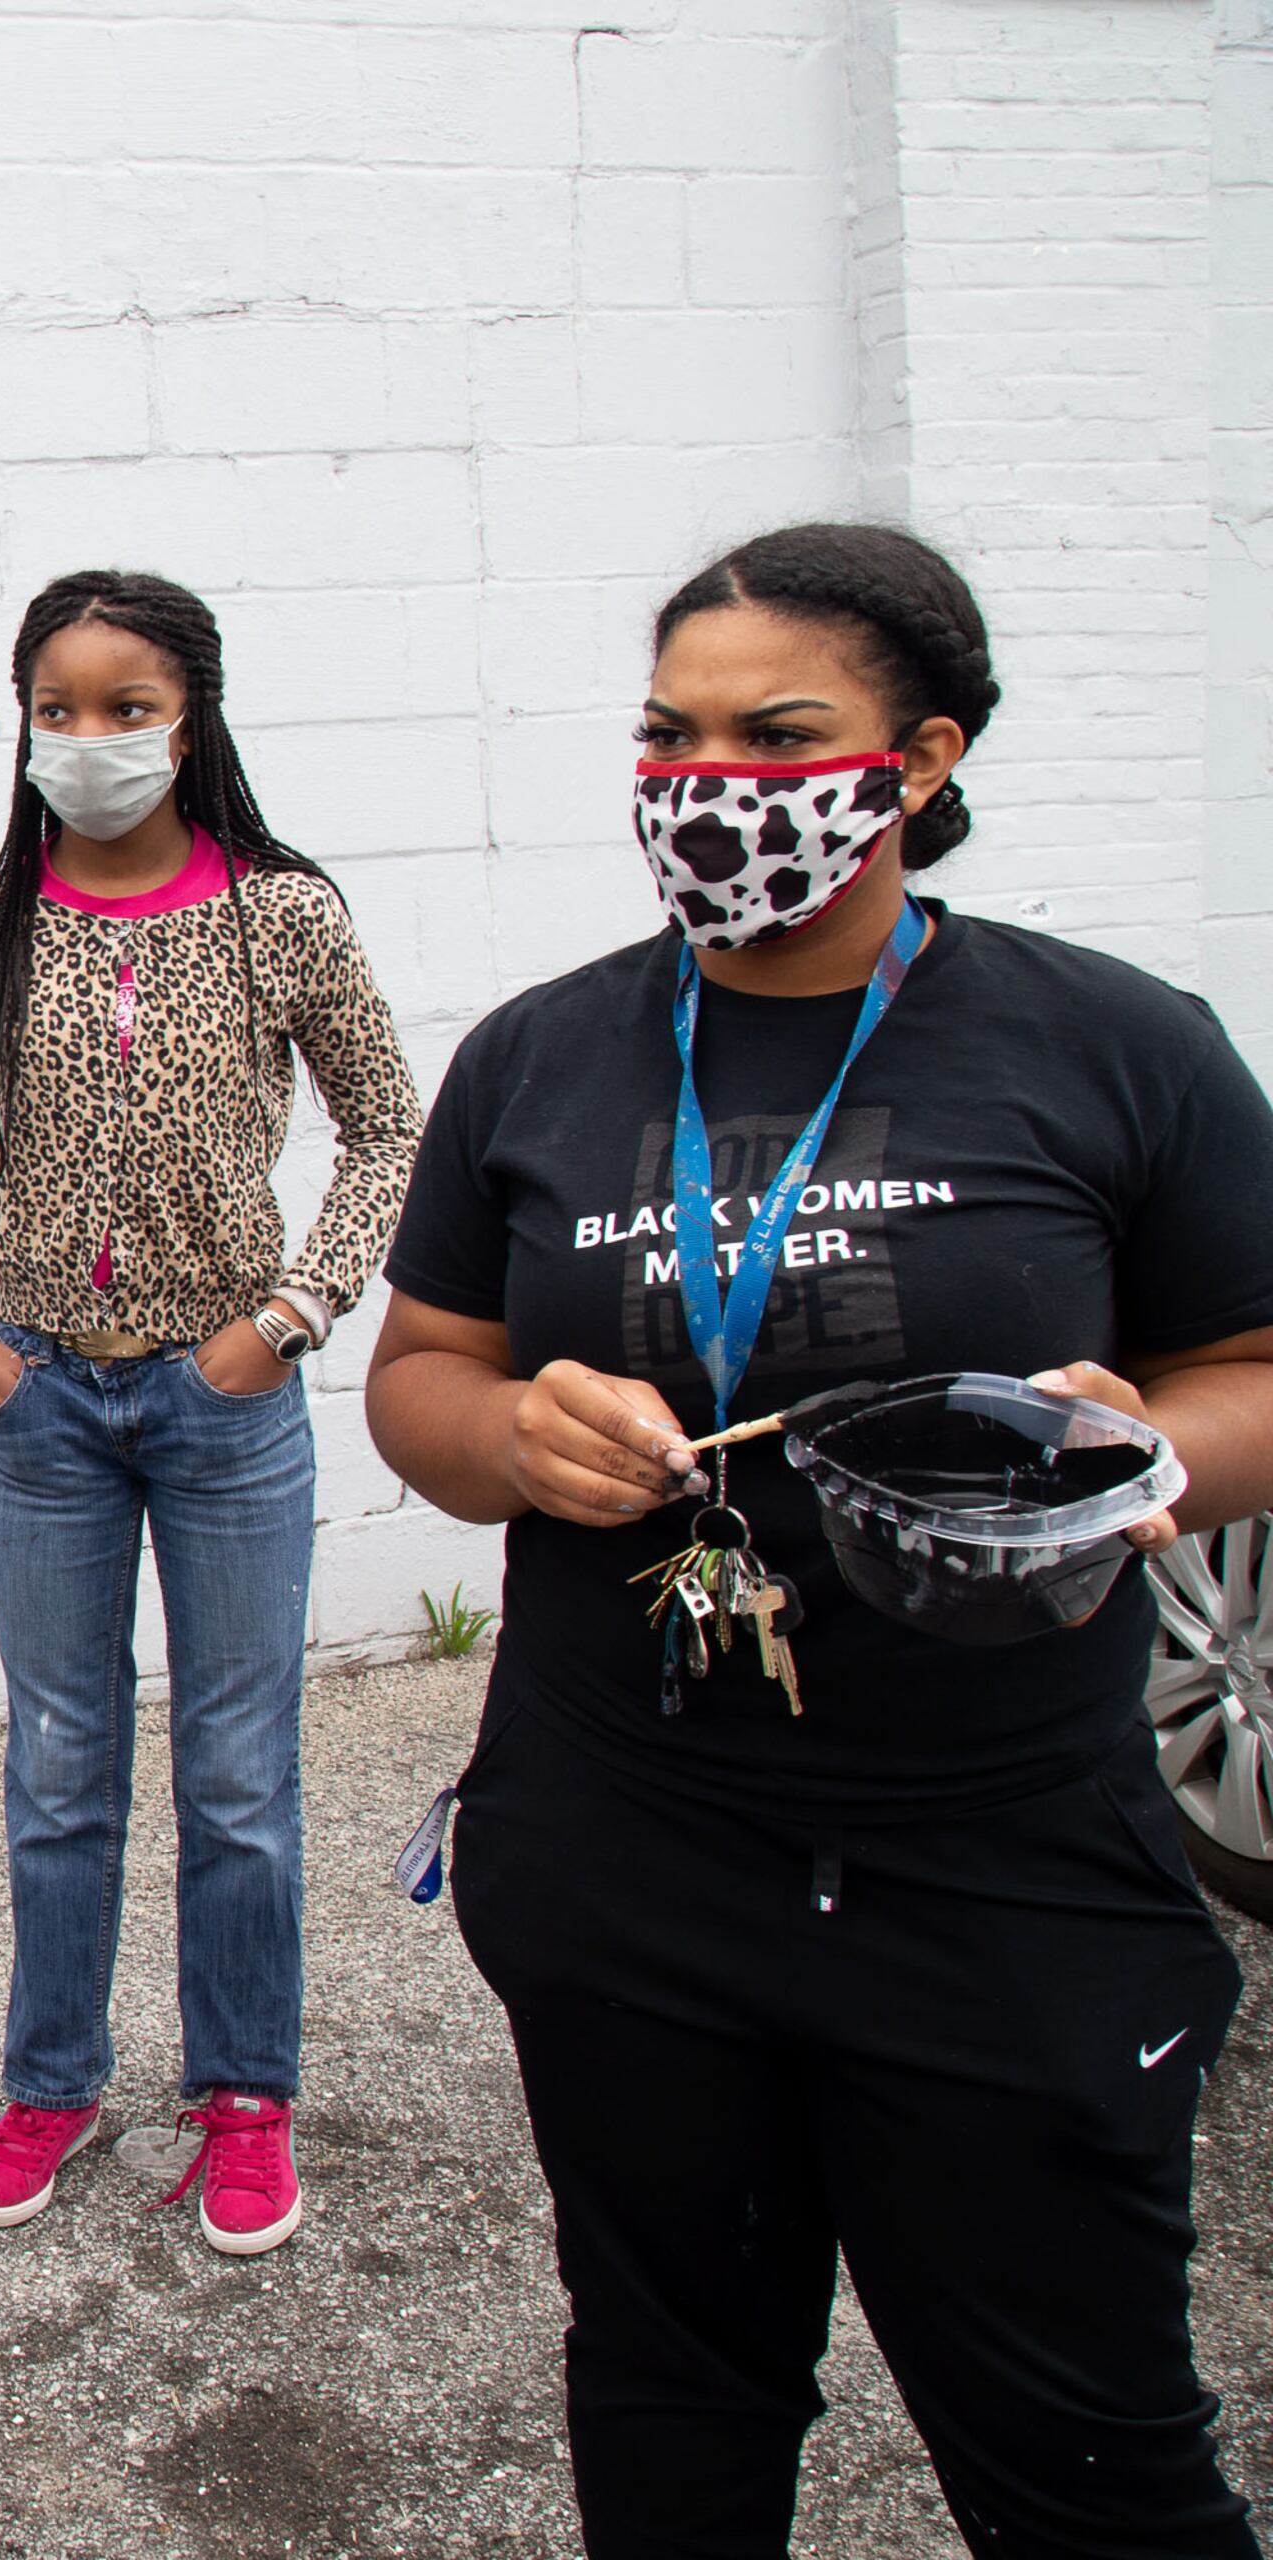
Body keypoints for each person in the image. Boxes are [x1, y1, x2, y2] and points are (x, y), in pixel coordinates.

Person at [363, 522, 1273, 2556]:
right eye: (669, 734)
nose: (711, 784)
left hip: (1003, 1867)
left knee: (1089, 2454)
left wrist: (1156, 1447)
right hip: (633, 1852)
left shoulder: (1117, 1043)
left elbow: (1253, 1367)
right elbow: (421, 1372)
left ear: (922, 760)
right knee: (675, 2397)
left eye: (780, 734)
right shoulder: (543, 1051)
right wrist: (511, 1429)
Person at [0, 570, 419, 2259]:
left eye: (127, 706)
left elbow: (389, 1124)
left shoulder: (281, 916)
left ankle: (246, 2099)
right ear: (24, 721)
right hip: (42, 1408)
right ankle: (54, 2079)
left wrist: (293, 1318)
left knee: (241, 1775)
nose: (91, 739)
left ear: (192, 720)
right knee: (61, 1768)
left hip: (225, 1405)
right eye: (59, 707)